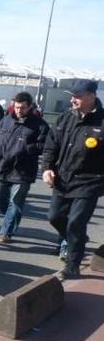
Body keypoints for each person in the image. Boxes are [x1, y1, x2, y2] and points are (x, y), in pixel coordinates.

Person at [41, 80, 104, 281]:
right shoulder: (66, 117)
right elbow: (52, 146)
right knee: (54, 217)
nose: (72, 99)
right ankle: (78, 240)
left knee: (76, 222)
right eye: (72, 95)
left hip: (90, 182)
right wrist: (47, 168)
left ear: (91, 96)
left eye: (77, 96)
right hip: (63, 178)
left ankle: (72, 265)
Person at [0, 91, 49, 243]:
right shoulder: (6, 120)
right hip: (1, 166)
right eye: (16, 107)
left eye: (22, 108)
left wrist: (27, 147)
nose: (18, 110)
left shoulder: (39, 125)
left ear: (30, 107)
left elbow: (45, 145)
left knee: (16, 202)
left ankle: (6, 232)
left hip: (23, 170)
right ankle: (10, 217)